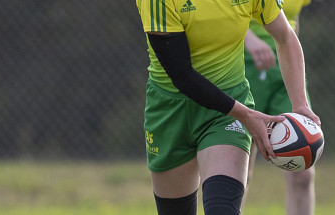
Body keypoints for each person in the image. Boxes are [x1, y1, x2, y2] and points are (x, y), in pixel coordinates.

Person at [135, 0, 320, 214]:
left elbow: (285, 37)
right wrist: (246, 115)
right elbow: (181, 75)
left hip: (225, 111)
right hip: (170, 110)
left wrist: (300, 105)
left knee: (223, 209)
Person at [242, 1, 315, 215]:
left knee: (303, 172)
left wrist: (292, 64)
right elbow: (217, 12)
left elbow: (291, 23)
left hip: (283, 73)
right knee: (238, 173)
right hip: (241, 66)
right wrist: (250, 39)